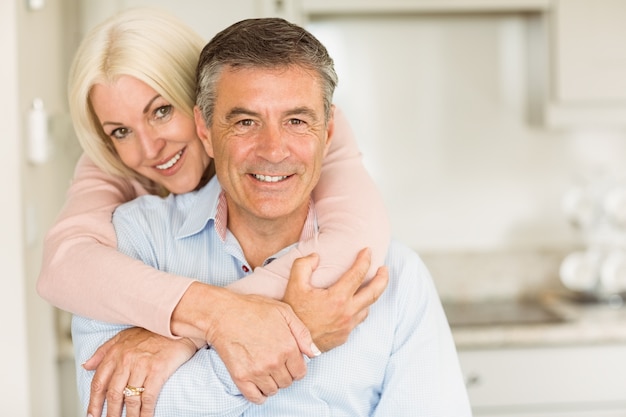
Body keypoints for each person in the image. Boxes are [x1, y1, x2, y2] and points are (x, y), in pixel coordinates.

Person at [72, 15, 471, 417]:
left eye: (296, 121)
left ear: (328, 133)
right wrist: (281, 337)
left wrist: (191, 341)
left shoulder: (393, 277)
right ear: (205, 129)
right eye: (245, 122)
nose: (274, 150)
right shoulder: (129, 245)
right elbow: (110, 410)